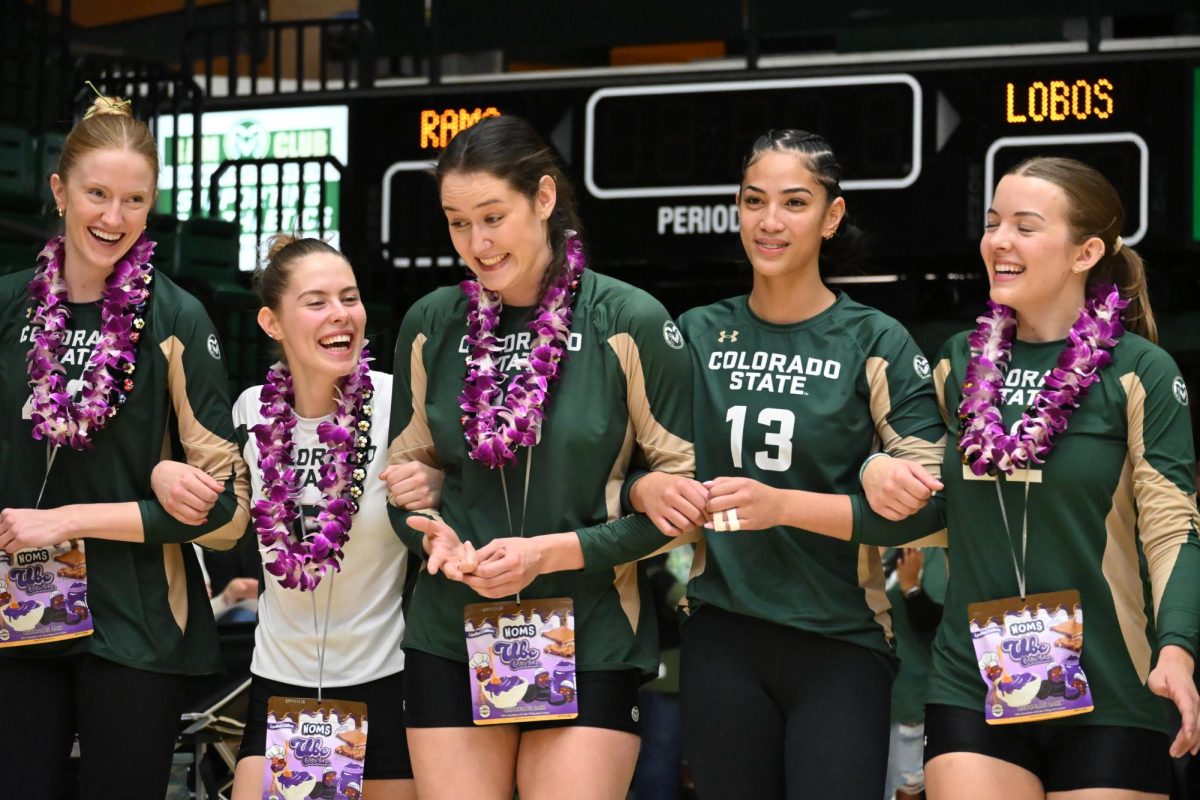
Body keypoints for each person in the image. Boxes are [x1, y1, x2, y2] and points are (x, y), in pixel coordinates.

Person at [625, 129, 948, 799]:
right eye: (754, 201)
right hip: (721, 636)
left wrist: (786, 506)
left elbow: (937, 506)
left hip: (842, 641)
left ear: (832, 217)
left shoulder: (875, 341)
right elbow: (620, 472)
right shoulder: (693, 336)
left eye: (795, 203)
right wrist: (645, 486)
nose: (770, 222)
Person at [868, 157, 1200, 799]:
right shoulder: (957, 362)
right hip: (973, 680)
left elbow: (1173, 529)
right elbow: (924, 493)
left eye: (1024, 226)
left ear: (1087, 252)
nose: (999, 241)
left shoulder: (1142, 372)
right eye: (993, 224)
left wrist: (1179, 649)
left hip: (1112, 682)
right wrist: (875, 465)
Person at [385, 114, 695, 800]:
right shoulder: (431, 324)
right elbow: (401, 488)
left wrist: (550, 553)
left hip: (593, 634)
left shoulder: (628, 321)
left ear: (545, 199)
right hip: (449, 632)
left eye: (493, 216)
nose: (477, 243)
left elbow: (685, 505)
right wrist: (431, 534)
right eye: (457, 222)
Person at [0, 93, 250, 799]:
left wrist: (77, 517)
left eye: (134, 200)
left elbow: (230, 512)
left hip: (135, 624)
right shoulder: (8, 305)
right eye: (97, 195)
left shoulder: (177, 316)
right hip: (18, 610)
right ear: (58, 190)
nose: (113, 218)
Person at [152, 236, 431, 800]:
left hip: (387, 679)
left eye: (349, 298)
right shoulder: (249, 410)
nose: (340, 315)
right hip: (282, 686)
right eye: (316, 301)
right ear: (271, 322)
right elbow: (211, 502)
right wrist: (162, 472)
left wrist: (439, 483)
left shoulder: (399, 403)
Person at [883, 546, 946, 800]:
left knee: (906, 787)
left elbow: (936, 621)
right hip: (859, 692)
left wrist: (911, 589)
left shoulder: (924, 549)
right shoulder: (854, 547)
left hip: (908, 694)